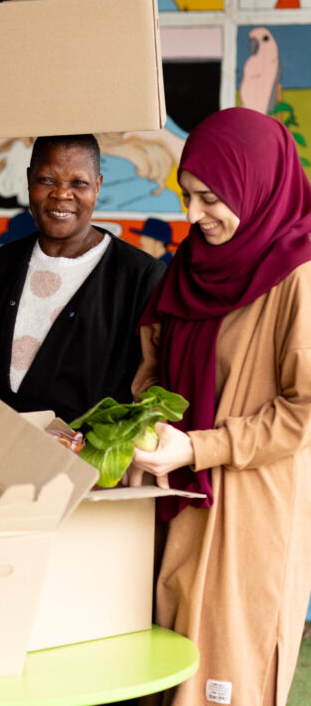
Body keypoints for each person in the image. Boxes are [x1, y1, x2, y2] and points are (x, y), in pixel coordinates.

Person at [128, 107, 311, 706]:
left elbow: (302, 411)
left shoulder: (299, 276)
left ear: (254, 185)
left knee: (223, 676)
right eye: (187, 195)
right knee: (163, 670)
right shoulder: (192, 262)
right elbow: (156, 364)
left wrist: (202, 446)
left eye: (210, 198)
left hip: (248, 512)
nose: (192, 215)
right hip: (175, 496)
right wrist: (148, 422)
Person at [0, 134, 165, 422]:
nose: (61, 194)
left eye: (78, 183)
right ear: (29, 180)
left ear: (97, 187)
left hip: (86, 462)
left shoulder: (141, 278)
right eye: (47, 180)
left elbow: (152, 387)